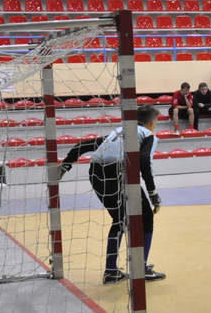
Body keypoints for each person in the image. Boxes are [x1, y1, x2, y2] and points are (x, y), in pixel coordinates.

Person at [58, 104, 165, 284]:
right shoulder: (148, 135)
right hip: (117, 172)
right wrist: (153, 193)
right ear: (153, 122)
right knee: (146, 217)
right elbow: (144, 161)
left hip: (96, 172)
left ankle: (111, 271)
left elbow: (84, 145)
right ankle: (141, 268)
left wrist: (66, 165)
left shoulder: (119, 131)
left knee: (120, 219)